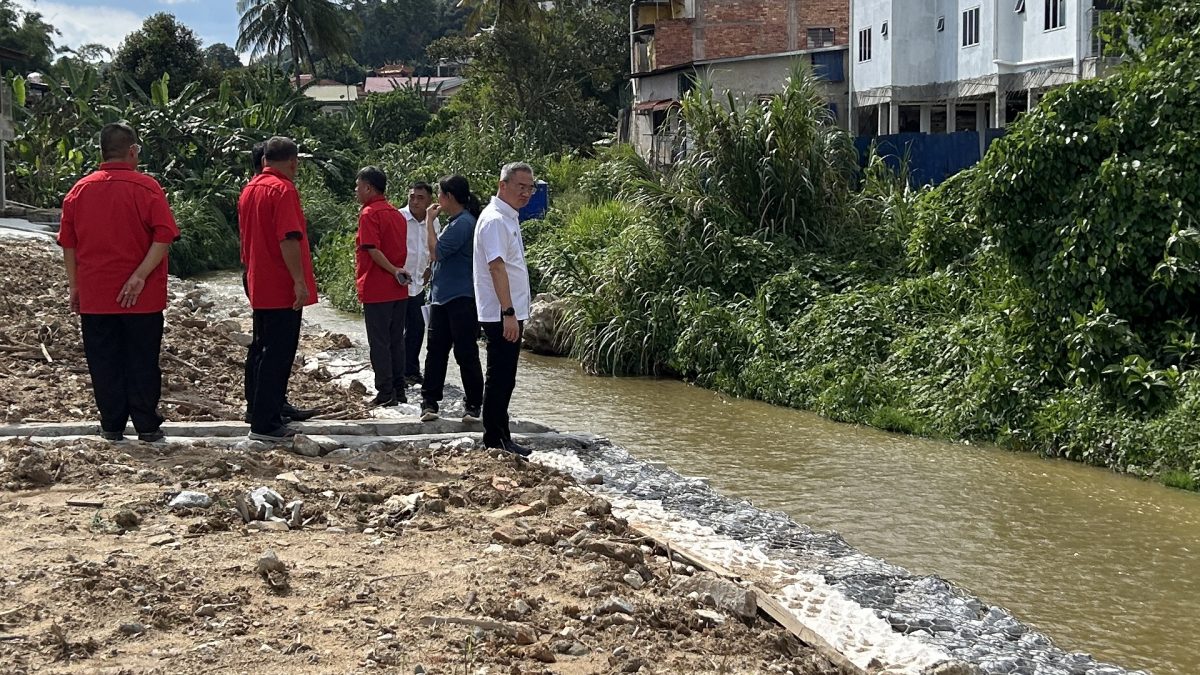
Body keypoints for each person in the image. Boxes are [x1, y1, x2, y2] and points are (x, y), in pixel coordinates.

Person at [58, 122, 179, 442]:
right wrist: (140, 276)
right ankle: (146, 425)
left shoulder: (79, 190)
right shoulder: (147, 188)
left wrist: (74, 286)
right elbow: (164, 236)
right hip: (143, 298)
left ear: (101, 152)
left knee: (104, 361)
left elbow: (68, 243)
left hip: (96, 294)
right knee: (142, 359)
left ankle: (111, 424)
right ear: (132, 151)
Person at [238, 136, 319, 441]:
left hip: (259, 279)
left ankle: (258, 408)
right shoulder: (283, 190)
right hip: (280, 283)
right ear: (293, 161)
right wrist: (299, 281)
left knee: (261, 348)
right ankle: (266, 422)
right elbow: (288, 238)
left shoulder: (251, 189)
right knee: (278, 353)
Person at [473, 162, 536, 457]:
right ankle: (495, 439)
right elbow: (496, 267)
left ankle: (501, 435)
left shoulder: (507, 217)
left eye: (530, 188)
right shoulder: (496, 219)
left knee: (505, 376)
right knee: (500, 376)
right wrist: (508, 312)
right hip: (502, 312)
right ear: (503, 185)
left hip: (508, 310)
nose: (526, 193)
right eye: (520, 187)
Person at [419, 175, 484, 424]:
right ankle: (429, 402)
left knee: (465, 352)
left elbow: (436, 252)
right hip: (441, 298)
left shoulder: (464, 224)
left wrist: (428, 222)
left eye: (439, 194)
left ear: (449, 197)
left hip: (460, 297)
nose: (437, 200)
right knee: (436, 351)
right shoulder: (454, 222)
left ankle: (473, 405)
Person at [354, 166, 412, 407]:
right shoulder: (396, 214)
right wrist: (397, 271)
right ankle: (399, 390)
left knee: (379, 342)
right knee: (396, 340)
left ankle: (385, 392)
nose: (356, 191)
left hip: (378, 287)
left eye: (358, 186)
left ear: (368, 188)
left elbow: (372, 249)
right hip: (398, 289)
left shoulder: (369, 214)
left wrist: (392, 270)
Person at [399, 182, 436, 386]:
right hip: (398, 282)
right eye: (412, 196)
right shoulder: (399, 218)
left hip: (419, 284)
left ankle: (411, 370)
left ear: (429, 200)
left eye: (420, 198)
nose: (414, 201)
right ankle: (396, 372)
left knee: (416, 328)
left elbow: (432, 249)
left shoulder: (433, 222)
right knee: (396, 330)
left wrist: (430, 268)